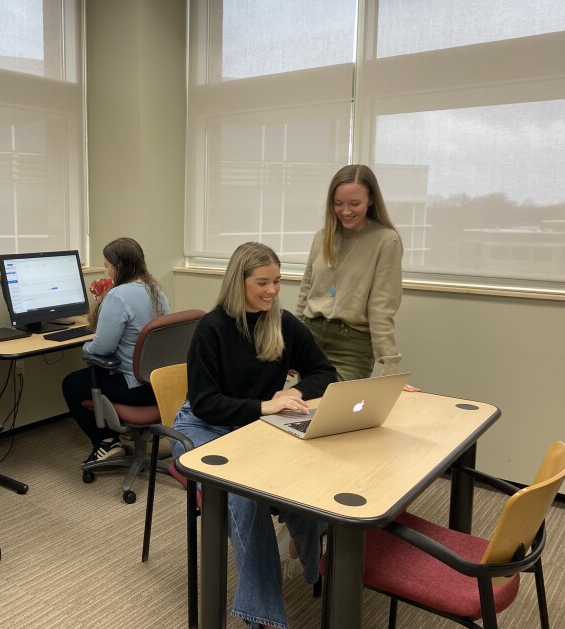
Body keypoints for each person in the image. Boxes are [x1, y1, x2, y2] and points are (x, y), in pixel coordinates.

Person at [173, 242, 337, 629]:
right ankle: (263, 619)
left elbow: (324, 372)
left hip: (253, 424)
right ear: (239, 281)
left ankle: (313, 567)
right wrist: (266, 405)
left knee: (306, 477)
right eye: (262, 282)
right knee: (245, 500)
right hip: (204, 425)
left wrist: (295, 392)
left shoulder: (281, 323)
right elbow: (205, 403)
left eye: (277, 281)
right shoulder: (212, 328)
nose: (272, 290)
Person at [295, 164, 417, 387]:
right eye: (338, 203)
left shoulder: (385, 240)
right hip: (311, 336)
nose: (345, 211)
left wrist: (390, 366)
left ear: (371, 200)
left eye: (355, 203)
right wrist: (292, 341)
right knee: (307, 411)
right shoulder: (323, 236)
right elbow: (306, 290)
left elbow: (382, 306)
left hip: (351, 345)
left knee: (337, 412)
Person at [62, 237, 170, 463]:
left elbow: (102, 348)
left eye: (107, 265)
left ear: (119, 266)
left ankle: (106, 441)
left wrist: (85, 345)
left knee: (71, 384)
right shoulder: (156, 291)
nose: (106, 270)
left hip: (133, 387)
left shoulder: (118, 296)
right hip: (159, 385)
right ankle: (112, 440)